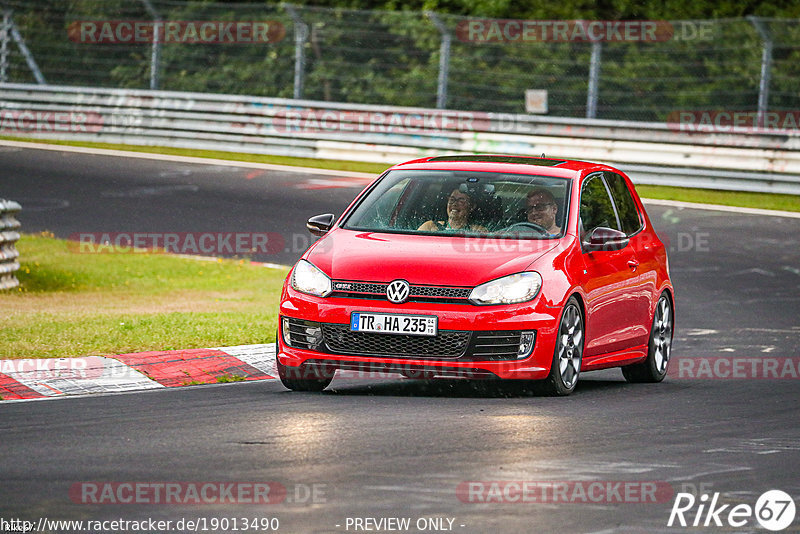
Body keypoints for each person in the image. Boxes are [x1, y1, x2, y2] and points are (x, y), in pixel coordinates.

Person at [418, 187, 487, 232]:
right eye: (452, 200)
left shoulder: (477, 231)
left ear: (472, 207)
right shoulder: (429, 226)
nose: (454, 204)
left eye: (461, 201)